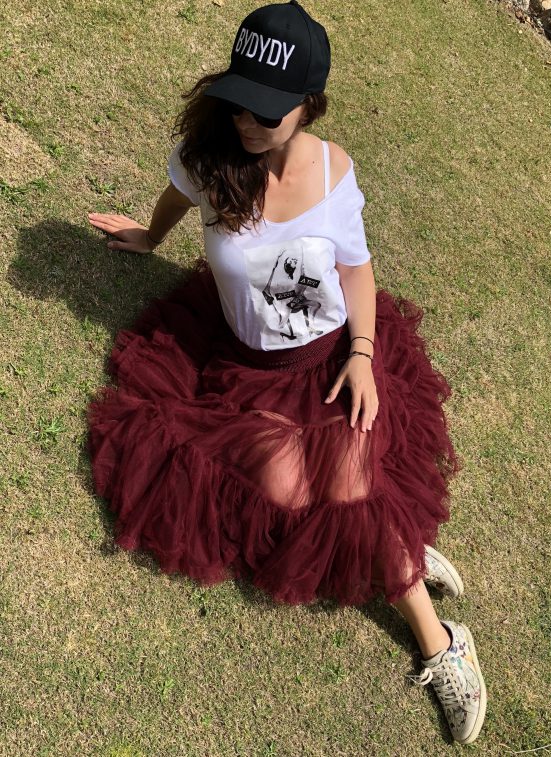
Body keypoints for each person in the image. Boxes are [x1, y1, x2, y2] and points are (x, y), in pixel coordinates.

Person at [87, 0, 486, 744]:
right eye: (239, 100)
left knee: (349, 490)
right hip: (248, 367)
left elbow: (356, 272)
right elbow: (177, 195)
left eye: (267, 111)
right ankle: (399, 546)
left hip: (332, 357)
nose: (246, 119)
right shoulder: (210, 156)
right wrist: (149, 236)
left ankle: (442, 643)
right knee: (286, 490)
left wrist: (363, 356)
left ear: (309, 106)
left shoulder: (334, 174)